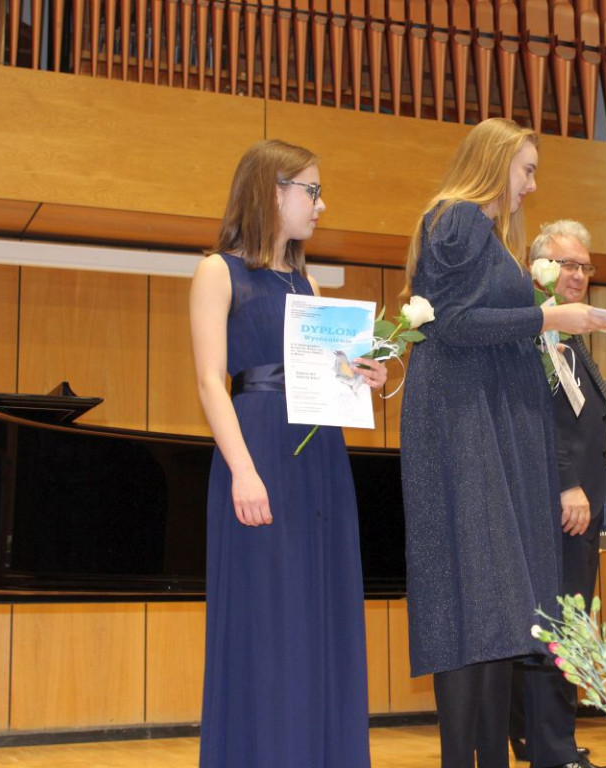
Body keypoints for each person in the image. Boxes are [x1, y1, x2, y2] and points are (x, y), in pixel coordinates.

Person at [400, 118, 606, 768]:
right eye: (526, 169)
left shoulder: (475, 229)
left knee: (489, 610)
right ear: (494, 163)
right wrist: (549, 316)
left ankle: (492, 756)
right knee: (470, 605)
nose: (532, 184)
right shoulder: (458, 218)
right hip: (462, 425)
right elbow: (453, 322)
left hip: (480, 424)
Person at [190, 139, 387, 768]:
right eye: (312, 190)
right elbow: (207, 381)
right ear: (274, 192)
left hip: (317, 458)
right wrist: (244, 470)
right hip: (259, 454)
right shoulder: (217, 271)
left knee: (316, 616)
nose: (321, 204)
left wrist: (365, 376)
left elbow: (329, 376)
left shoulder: (310, 280)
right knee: (267, 621)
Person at [507, 220, 606, 768]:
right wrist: (566, 482)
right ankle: (551, 750)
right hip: (560, 502)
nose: (578, 275)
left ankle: (545, 741)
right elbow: (536, 418)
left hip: (582, 503)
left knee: (562, 628)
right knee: (555, 628)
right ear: (540, 270)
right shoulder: (534, 334)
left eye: (585, 266)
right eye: (566, 265)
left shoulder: (569, 337)